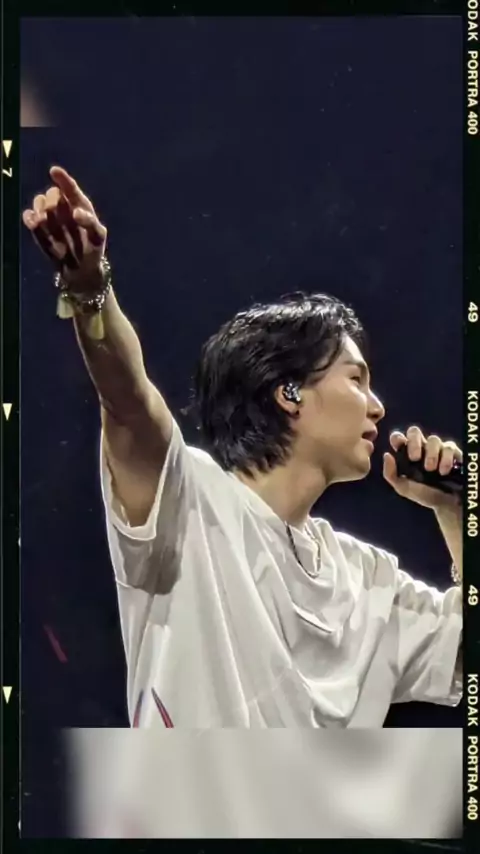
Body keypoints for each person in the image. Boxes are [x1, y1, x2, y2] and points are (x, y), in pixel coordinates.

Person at [23, 166, 463, 729]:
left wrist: (455, 510)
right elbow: (128, 399)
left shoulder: (366, 577)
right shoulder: (188, 504)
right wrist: (90, 289)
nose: (376, 406)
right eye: (356, 379)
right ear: (289, 393)